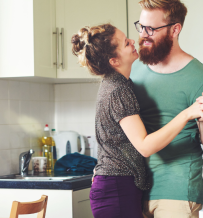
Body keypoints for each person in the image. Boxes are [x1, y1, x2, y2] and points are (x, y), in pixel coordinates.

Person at [71, 24, 203, 218]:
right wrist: (187, 114)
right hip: (115, 189)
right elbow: (144, 146)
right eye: (126, 43)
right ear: (114, 60)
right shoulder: (118, 90)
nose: (133, 41)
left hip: (119, 187)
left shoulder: (119, 84)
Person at [130, 0, 203, 218]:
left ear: (175, 29)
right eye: (141, 27)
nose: (143, 35)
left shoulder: (198, 75)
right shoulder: (134, 69)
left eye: (151, 29)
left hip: (178, 189)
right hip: (136, 187)